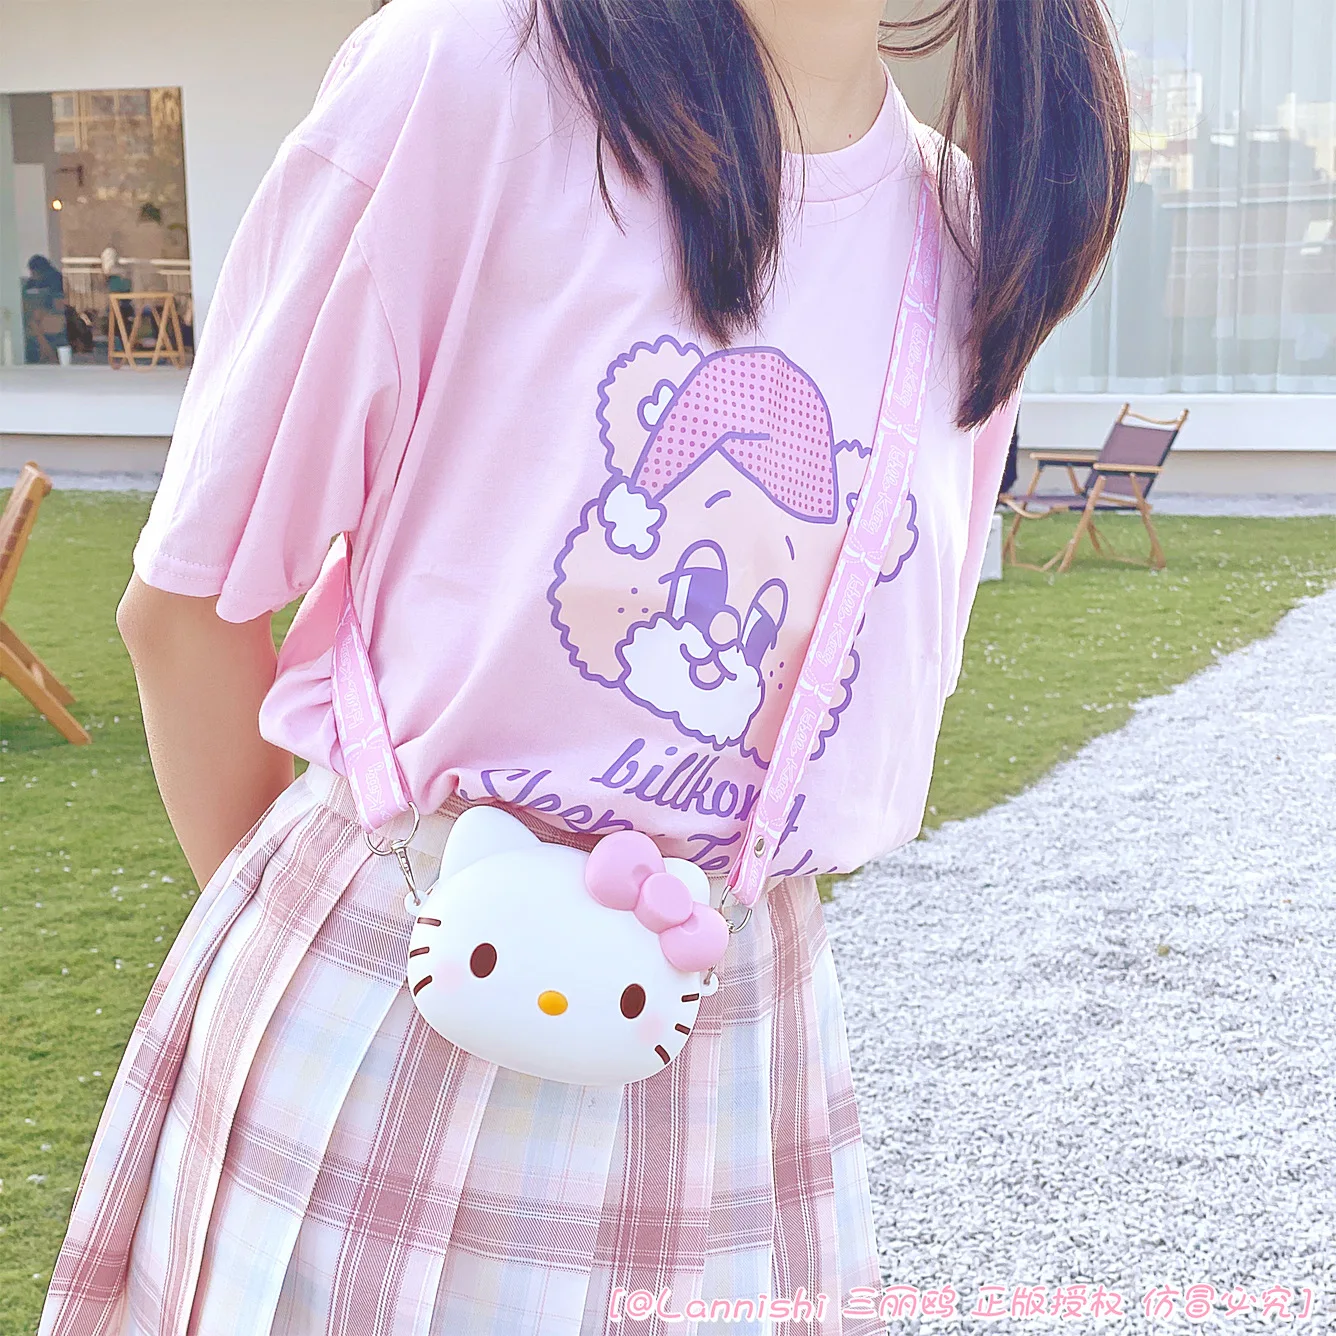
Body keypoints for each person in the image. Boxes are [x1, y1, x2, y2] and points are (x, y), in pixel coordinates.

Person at [39, 0, 1128, 1331]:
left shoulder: (968, 240)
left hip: (734, 1039)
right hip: (385, 1006)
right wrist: (404, 926)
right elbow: (188, 612)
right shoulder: (466, 78)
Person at [22, 254, 69, 363]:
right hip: (38, 314)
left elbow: (57, 301)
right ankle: (48, 353)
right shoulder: (33, 280)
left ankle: (49, 355)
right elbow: (26, 291)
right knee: (33, 323)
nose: (32, 274)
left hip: (53, 314)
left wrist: (44, 310)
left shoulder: (55, 278)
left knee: (33, 324)